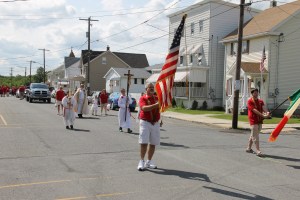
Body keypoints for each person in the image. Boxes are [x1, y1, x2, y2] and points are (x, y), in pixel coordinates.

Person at [137, 83, 160, 171]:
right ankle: (141, 161)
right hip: (145, 122)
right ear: (146, 89)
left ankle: (149, 161)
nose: (151, 89)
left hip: (155, 123)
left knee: (153, 143)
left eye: (152, 88)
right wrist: (156, 105)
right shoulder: (143, 98)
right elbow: (144, 108)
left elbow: (161, 109)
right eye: (149, 87)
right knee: (143, 143)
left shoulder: (157, 98)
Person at [246, 88, 270, 157]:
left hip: (259, 120)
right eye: (254, 93)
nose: (256, 94)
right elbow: (254, 110)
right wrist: (263, 115)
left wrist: (267, 112)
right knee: (255, 135)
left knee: (253, 134)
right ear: (252, 94)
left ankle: (248, 148)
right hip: (253, 120)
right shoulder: (250, 101)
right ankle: (258, 151)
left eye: (257, 93)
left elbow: (264, 108)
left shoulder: (260, 101)